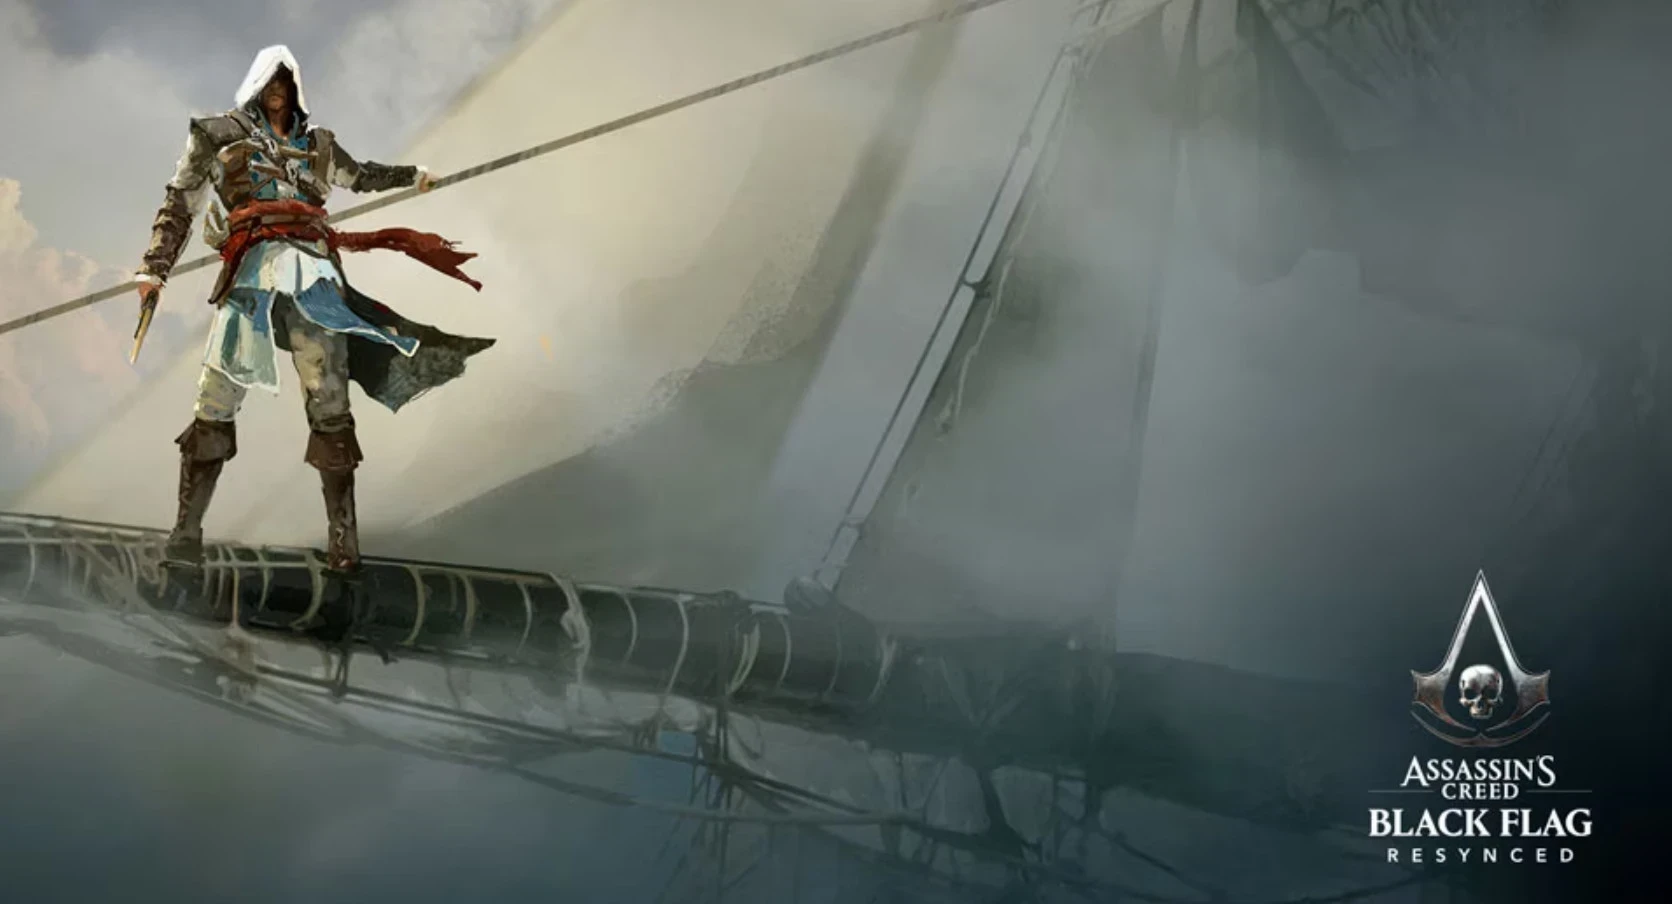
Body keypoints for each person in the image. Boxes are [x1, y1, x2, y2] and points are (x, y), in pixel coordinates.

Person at [136, 45, 493, 577]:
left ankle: (343, 544)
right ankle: (186, 536)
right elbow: (180, 202)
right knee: (215, 399)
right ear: (257, 84)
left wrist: (413, 175)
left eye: (285, 82)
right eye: (270, 81)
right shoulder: (216, 135)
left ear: (295, 87)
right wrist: (154, 269)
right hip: (250, 273)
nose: (277, 91)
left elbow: (361, 175)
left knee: (329, 402)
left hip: (312, 274)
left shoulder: (318, 144)